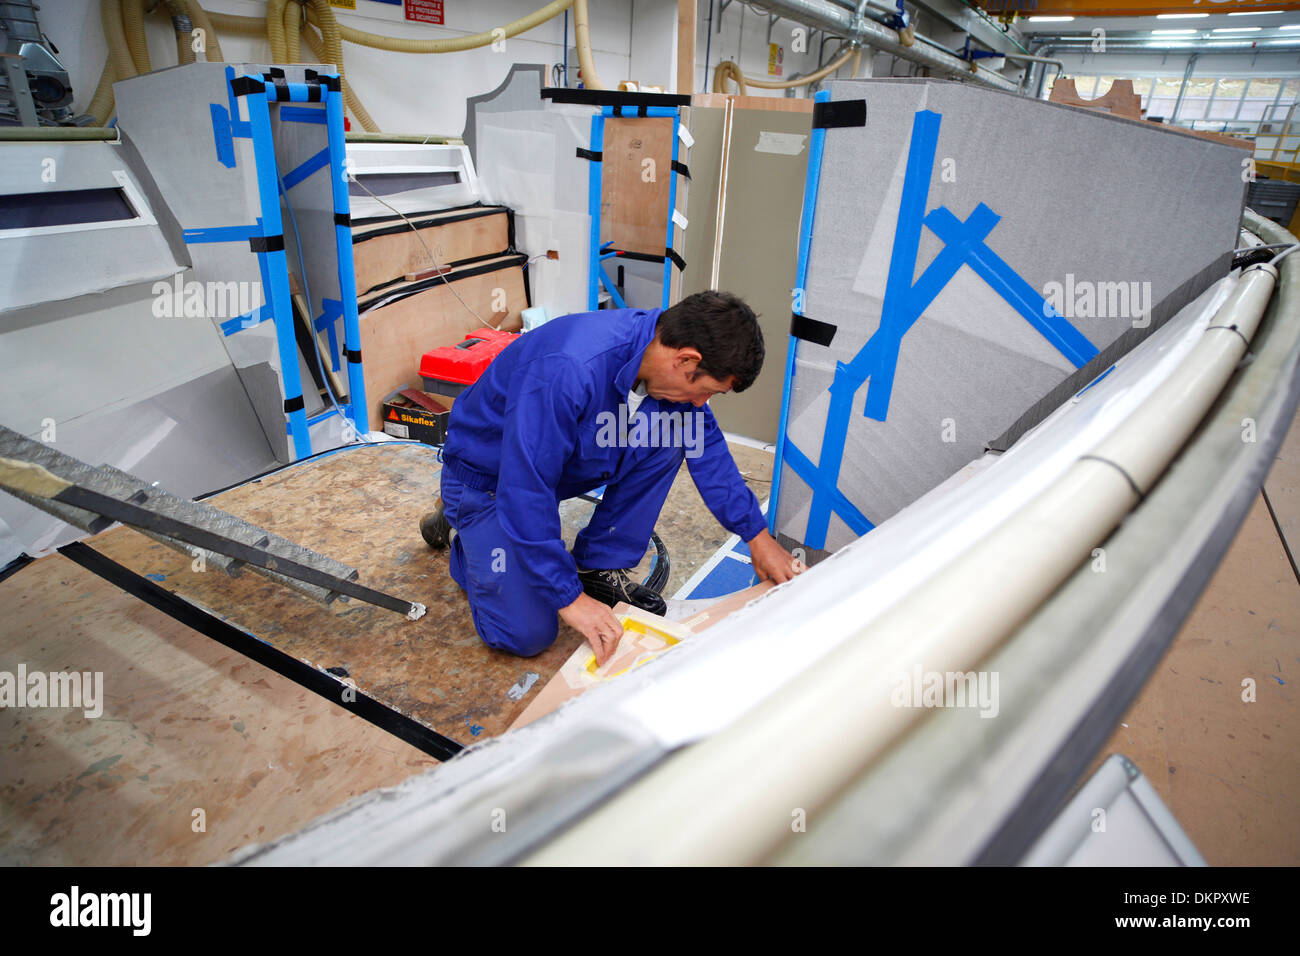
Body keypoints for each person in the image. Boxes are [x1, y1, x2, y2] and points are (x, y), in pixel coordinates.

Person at [423, 290, 800, 666]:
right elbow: (524, 491)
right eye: (704, 391)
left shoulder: (656, 347)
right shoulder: (569, 367)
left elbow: (708, 449)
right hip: (488, 482)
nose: (702, 403)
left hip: (550, 468)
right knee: (527, 634)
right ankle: (465, 537)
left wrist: (757, 535)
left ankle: (595, 565)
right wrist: (569, 599)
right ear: (686, 359)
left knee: (670, 436)